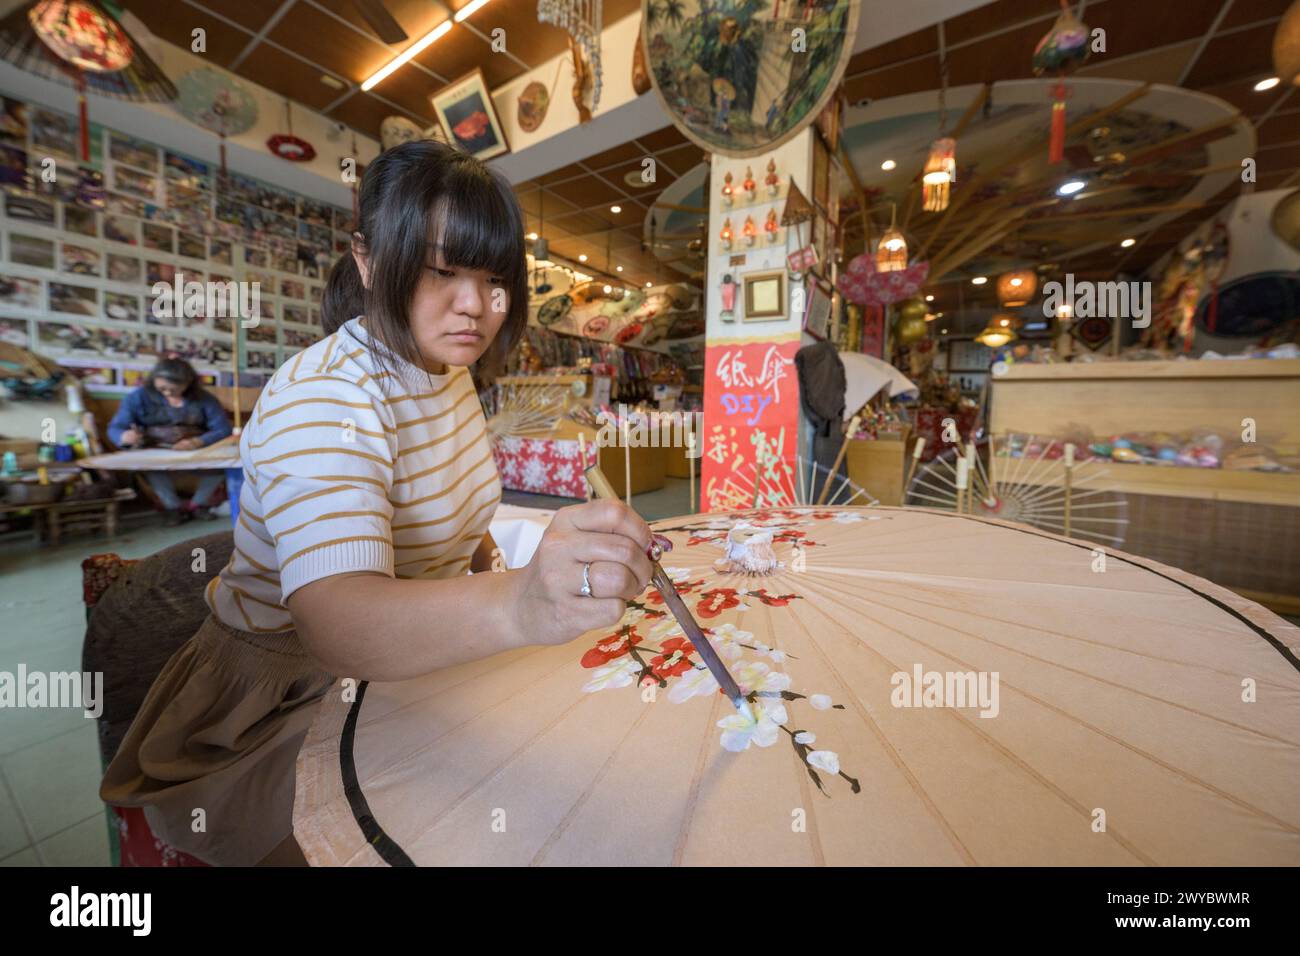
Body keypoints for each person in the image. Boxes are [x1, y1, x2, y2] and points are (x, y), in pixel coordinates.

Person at [100, 140, 654, 867]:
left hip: (399, 668)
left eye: (494, 278)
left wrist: (484, 567)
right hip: (278, 703)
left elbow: (458, 519)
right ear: (366, 259)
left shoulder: (444, 369)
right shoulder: (324, 398)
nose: (476, 305)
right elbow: (339, 622)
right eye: (441, 270)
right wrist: (521, 601)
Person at [107, 358, 232, 524]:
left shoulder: (204, 399)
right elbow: (115, 428)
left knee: (222, 467)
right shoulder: (137, 398)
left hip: (196, 451)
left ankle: (198, 504)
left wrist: (197, 441)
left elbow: (223, 429)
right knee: (152, 470)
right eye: (162, 388)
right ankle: (173, 508)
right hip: (154, 451)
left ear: (188, 383)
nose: (167, 393)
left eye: (173, 389)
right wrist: (124, 436)